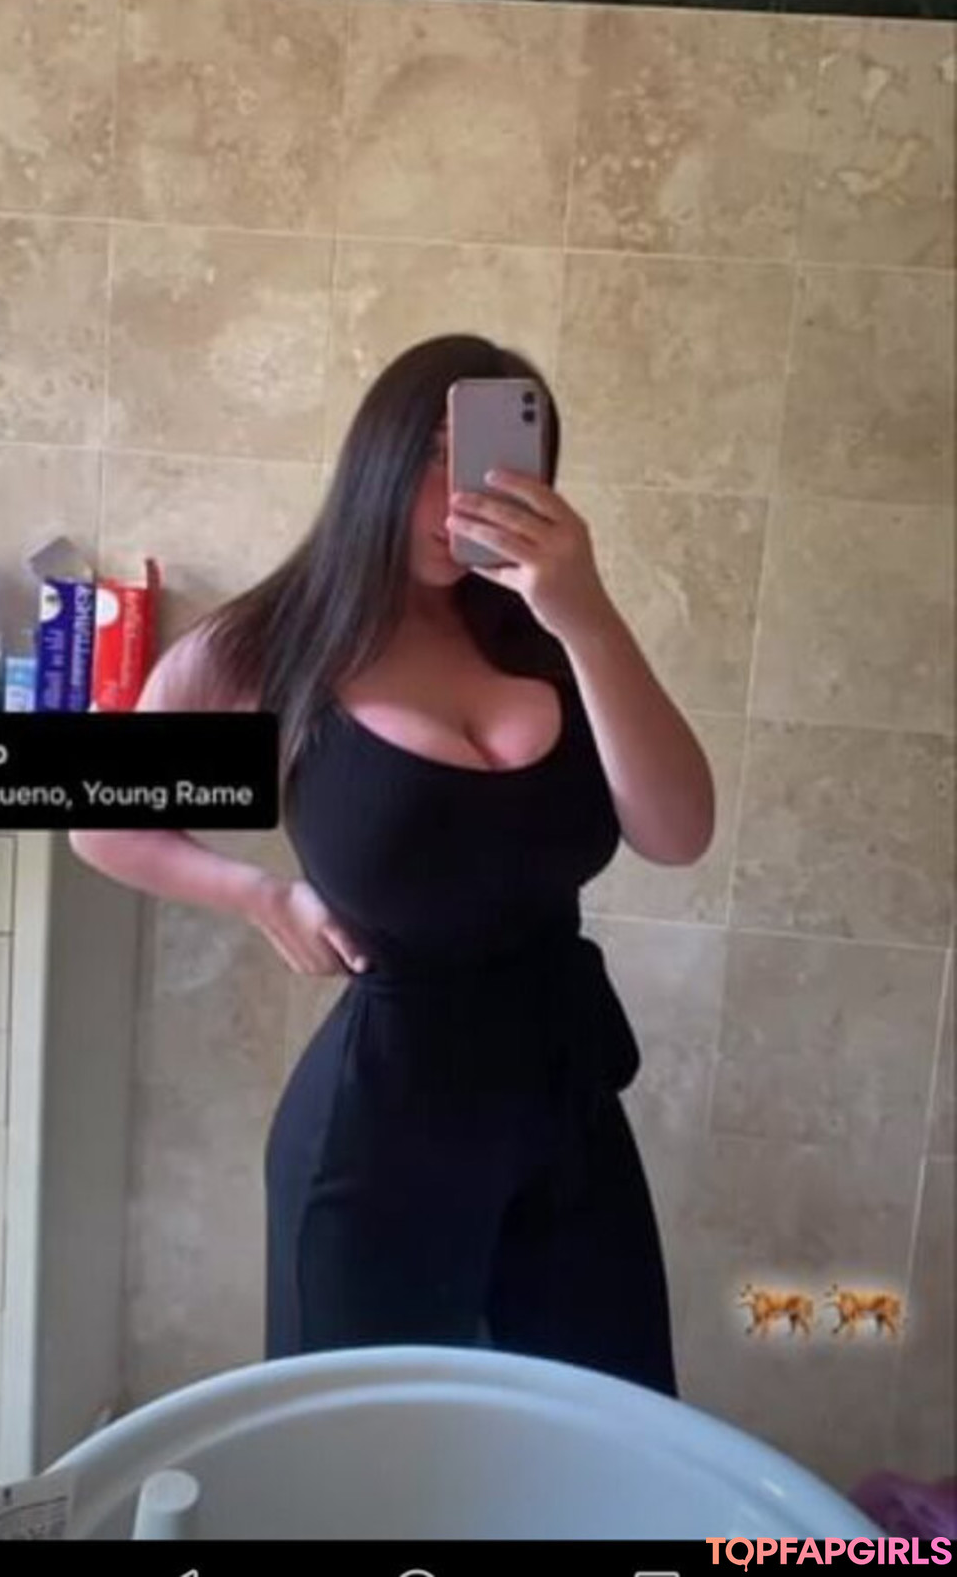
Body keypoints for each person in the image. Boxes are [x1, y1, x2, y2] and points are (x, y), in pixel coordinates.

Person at [70, 333, 715, 1395]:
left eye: (490, 458)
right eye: (430, 453)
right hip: (377, 1135)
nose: (454, 493)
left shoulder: (551, 637)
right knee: (358, 1450)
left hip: (566, 1104)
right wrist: (261, 894)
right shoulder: (274, 646)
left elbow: (678, 831)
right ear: (374, 453)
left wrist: (589, 614)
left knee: (610, 1426)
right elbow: (102, 821)